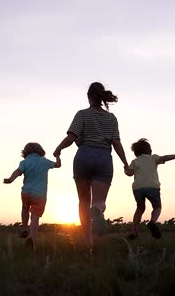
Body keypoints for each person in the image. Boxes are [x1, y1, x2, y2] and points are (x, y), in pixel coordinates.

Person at [53, 82, 129, 247]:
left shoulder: (82, 114)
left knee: (83, 201)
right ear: (102, 97)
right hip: (104, 158)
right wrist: (125, 164)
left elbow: (71, 137)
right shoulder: (111, 118)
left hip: (83, 156)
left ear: (89, 97)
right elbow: (116, 143)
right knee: (98, 201)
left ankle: (89, 242)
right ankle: (98, 209)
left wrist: (58, 149)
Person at [124, 138, 175, 240]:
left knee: (140, 208)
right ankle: (152, 222)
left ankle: (133, 231)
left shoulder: (135, 161)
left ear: (135, 153)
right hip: (152, 187)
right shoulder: (153, 158)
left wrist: (125, 169)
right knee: (157, 207)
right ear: (150, 151)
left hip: (138, 188)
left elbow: (129, 173)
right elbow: (165, 157)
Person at [3, 142, 61, 251]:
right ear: (41, 151)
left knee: (25, 208)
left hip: (26, 192)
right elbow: (58, 165)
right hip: (40, 194)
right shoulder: (44, 162)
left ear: (25, 152)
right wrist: (57, 155)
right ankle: (31, 238)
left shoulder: (24, 162)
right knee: (35, 216)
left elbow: (18, 172)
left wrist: (10, 179)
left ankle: (24, 227)